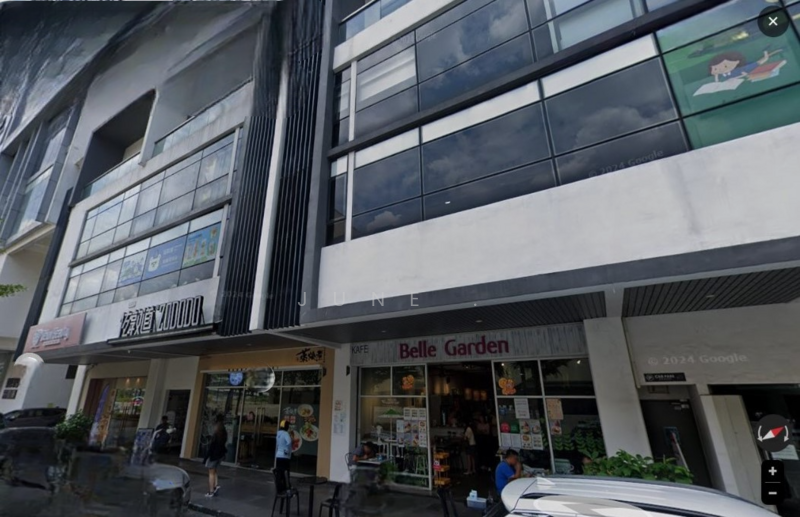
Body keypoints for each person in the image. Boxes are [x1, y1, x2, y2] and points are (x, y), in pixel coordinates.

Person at [204, 414, 227, 498]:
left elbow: (211, 448)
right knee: (214, 470)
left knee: (211, 473)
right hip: (220, 455)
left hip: (214, 456)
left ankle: (211, 491)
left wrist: (206, 458)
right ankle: (216, 485)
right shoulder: (224, 433)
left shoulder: (216, 435)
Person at [275, 419, 292, 493]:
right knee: (286, 472)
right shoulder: (285, 434)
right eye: (288, 426)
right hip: (285, 456)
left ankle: (279, 487)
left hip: (278, 455)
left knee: (279, 472)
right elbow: (289, 442)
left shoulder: (278, 433)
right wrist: (287, 450)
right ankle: (287, 487)